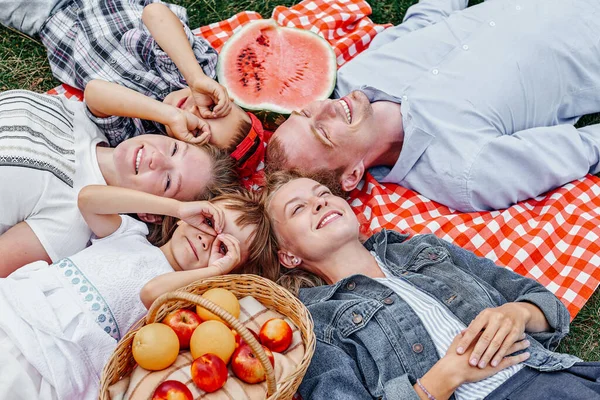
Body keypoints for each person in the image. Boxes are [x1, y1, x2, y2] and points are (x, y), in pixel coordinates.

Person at [265, 171, 600, 400]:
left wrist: (517, 314)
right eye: (298, 209)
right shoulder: (313, 324)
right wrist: (448, 376)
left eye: (323, 193)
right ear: (289, 256)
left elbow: (547, 306)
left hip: (550, 380)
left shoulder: (422, 248)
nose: (320, 202)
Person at [267, 0, 600, 212]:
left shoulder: (356, 75)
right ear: (352, 175)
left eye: (307, 111)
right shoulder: (465, 174)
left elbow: (427, 19)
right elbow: (587, 147)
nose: (327, 108)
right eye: (324, 132)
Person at [0, 183, 278, 399]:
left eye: (223, 249)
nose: (206, 240)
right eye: (208, 222)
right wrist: (177, 208)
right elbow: (88, 200)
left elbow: (150, 292)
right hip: (20, 306)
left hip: (57, 356)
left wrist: (215, 272)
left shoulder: (184, 303)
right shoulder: (131, 233)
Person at [0, 0, 267, 175]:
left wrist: (168, 116)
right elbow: (154, 13)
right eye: (215, 110)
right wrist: (196, 77)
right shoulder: (196, 73)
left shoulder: (138, 132)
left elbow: (95, 92)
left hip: (42, 13)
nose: (194, 110)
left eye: (197, 128)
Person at [0, 89, 237, 276]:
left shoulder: (72, 222)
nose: (157, 158)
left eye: (168, 181)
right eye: (174, 148)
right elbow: (95, 91)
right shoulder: (89, 123)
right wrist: (170, 115)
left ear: (149, 213)